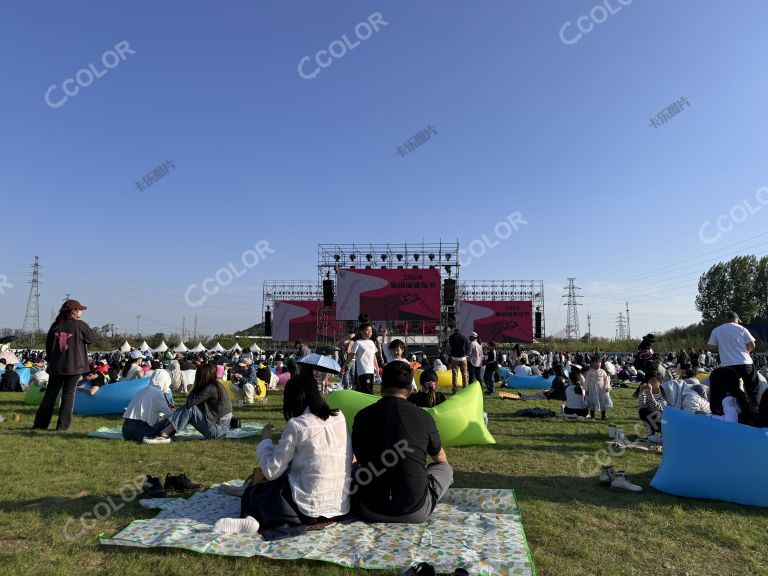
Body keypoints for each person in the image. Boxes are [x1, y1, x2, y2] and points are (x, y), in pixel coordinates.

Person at [230, 370, 353, 536]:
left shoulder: (297, 424)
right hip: (339, 507)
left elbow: (272, 470)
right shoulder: (339, 417)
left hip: (307, 511)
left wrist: (265, 441)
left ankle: (251, 519)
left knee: (257, 491)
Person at [352, 361, 453, 523]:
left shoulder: (362, 416)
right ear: (410, 389)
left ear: (382, 387)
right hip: (415, 510)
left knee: (354, 470)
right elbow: (440, 459)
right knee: (445, 469)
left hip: (369, 508)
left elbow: (354, 457)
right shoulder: (423, 417)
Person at [33, 300, 97, 431]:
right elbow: (92, 339)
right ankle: (62, 427)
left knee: (50, 395)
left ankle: (40, 424)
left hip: (56, 366)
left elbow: (48, 346)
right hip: (74, 366)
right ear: (73, 311)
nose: (82, 311)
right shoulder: (79, 325)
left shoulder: (55, 325)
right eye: (80, 309)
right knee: (68, 395)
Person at [143, 363, 232, 443]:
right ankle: (161, 431)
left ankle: (162, 433)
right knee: (185, 411)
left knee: (190, 409)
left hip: (217, 431)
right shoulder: (216, 386)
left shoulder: (210, 388)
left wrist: (196, 386)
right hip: (220, 430)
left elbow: (190, 402)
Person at [707, 311, 759, 405]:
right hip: (745, 362)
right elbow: (752, 344)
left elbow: (710, 347)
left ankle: (734, 411)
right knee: (752, 390)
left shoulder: (717, 330)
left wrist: (722, 350)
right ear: (736, 319)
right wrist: (747, 352)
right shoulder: (742, 328)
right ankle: (754, 411)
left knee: (731, 391)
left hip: (727, 365)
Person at [122, 369, 175, 442]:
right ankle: (161, 437)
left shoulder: (143, 390)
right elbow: (171, 415)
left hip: (126, 432)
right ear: (165, 380)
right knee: (174, 421)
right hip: (141, 432)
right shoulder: (158, 394)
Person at [344, 322, 380, 394]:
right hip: (363, 370)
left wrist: (377, 367)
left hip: (371, 371)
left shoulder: (372, 342)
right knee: (366, 391)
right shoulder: (358, 343)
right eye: (367, 330)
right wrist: (343, 368)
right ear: (361, 331)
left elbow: (374, 356)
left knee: (370, 390)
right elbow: (351, 356)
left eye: (371, 331)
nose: (370, 332)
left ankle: (369, 404)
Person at [634, 372, 666, 437]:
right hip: (653, 417)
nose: (650, 383)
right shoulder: (647, 391)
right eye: (649, 381)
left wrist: (650, 393)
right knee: (642, 411)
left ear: (661, 382)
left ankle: (663, 432)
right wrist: (641, 391)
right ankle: (650, 429)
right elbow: (642, 406)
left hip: (664, 420)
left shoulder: (664, 393)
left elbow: (657, 408)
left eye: (654, 381)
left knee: (655, 413)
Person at [447, 328, 470, 394]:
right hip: (463, 358)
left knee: (454, 374)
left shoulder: (451, 338)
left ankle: (454, 389)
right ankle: (465, 388)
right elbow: (467, 347)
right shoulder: (464, 338)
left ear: (454, 332)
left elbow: (450, 347)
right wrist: (466, 354)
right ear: (459, 332)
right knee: (464, 374)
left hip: (454, 358)